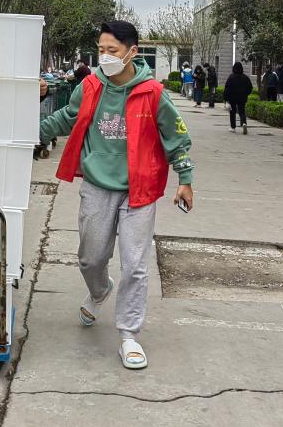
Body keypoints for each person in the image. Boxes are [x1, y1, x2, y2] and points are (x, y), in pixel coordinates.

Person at [38, 21, 193, 371]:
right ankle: (99, 290)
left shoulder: (153, 93)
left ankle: (128, 335)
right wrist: (29, 131)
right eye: (101, 50)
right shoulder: (91, 86)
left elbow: (176, 136)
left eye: (113, 51)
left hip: (140, 189)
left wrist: (185, 177)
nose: (105, 57)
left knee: (135, 265)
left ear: (132, 52)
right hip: (97, 185)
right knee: (90, 258)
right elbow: (66, 118)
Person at [223, 62, 254, 134]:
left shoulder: (231, 77)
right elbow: (250, 87)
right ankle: (244, 123)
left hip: (232, 98)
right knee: (242, 111)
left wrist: (225, 98)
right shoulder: (245, 78)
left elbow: (227, 88)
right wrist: (246, 94)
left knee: (232, 112)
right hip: (242, 98)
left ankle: (233, 127)